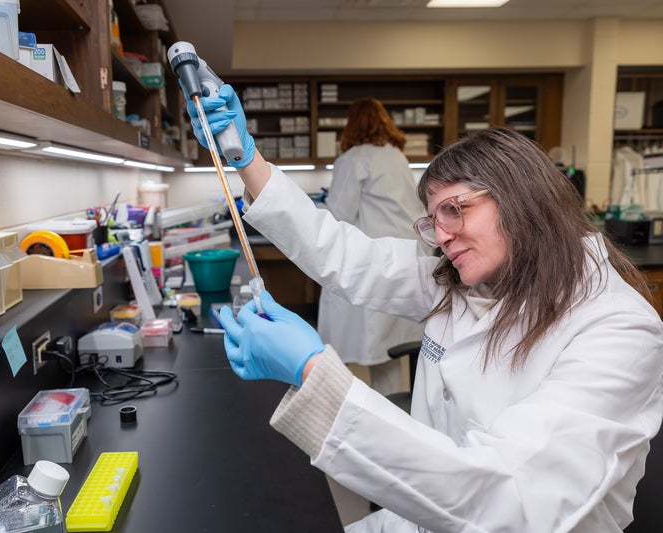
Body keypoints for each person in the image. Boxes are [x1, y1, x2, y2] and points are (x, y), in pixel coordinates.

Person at [185, 84, 663, 532]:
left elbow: (506, 499)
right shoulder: (461, 279)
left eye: (456, 208)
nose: (443, 236)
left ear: (524, 198)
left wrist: (314, 373)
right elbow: (343, 254)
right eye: (433, 221)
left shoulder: (617, 330)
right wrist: (246, 159)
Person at [319, 97, 428, 396]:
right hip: (405, 262)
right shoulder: (396, 156)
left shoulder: (354, 158)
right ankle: (393, 421)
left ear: (351, 126)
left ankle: (348, 422)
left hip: (372, 265)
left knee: (348, 355)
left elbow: (338, 216)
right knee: (388, 355)